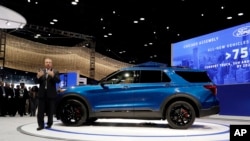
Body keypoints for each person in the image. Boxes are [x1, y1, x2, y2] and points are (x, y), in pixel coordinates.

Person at [35, 57, 60, 131]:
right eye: (47, 62)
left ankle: (49, 124)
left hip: (51, 95)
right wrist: (38, 76)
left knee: (50, 111)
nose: (48, 63)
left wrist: (53, 76)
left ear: (51, 64)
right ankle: (41, 125)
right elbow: (36, 81)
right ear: (44, 63)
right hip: (42, 95)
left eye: (49, 62)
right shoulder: (41, 71)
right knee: (40, 112)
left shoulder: (55, 71)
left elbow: (58, 81)